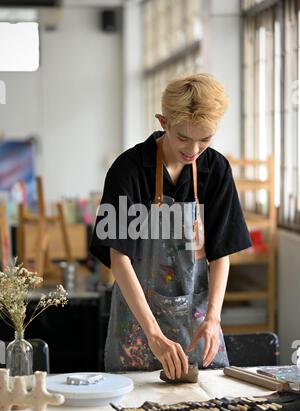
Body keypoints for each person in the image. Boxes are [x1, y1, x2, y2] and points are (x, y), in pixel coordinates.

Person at [90, 73, 252, 380]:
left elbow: (220, 255)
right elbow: (118, 258)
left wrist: (214, 317)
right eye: (183, 137)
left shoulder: (215, 169)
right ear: (163, 122)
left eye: (205, 139)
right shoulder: (129, 170)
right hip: (138, 325)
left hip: (197, 322)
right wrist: (152, 334)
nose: (193, 149)